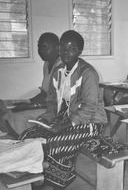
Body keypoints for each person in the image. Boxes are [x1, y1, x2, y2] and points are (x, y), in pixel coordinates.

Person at [19, 30, 107, 189]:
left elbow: (89, 108)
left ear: (80, 51)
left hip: (91, 123)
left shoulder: (88, 73)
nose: (66, 52)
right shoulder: (58, 72)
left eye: (72, 48)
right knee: (29, 134)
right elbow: (52, 102)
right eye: (63, 48)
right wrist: (46, 118)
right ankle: (38, 176)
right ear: (59, 49)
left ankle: (51, 180)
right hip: (67, 119)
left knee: (52, 143)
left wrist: (66, 124)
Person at [0, 32, 61, 136]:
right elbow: (44, 93)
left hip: (53, 108)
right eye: (39, 46)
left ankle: (16, 138)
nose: (40, 50)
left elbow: (56, 101)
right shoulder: (47, 63)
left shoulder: (61, 66)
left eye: (45, 47)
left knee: (14, 117)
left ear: (57, 47)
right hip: (44, 102)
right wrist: (28, 102)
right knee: (4, 104)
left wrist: (30, 106)